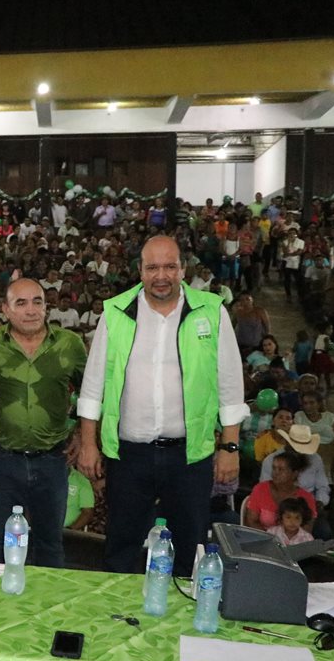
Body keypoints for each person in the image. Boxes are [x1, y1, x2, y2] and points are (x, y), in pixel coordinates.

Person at [77, 236, 248, 575]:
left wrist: (229, 446)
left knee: (190, 545)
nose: (161, 275)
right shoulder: (116, 312)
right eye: (152, 267)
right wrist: (87, 444)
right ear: (139, 271)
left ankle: (183, 619)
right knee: (122, 544)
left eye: (170, 266)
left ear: (182, 269)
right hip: (129, 455)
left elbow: (229, 382)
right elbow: (93, 385)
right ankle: (118, 618)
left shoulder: (211, 311)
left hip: (190, 455)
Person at [0, 278, 87, 567]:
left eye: (37, 302)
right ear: (5, 309)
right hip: (2, 459)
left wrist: (79, 429)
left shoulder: (70, 344)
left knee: (50, 543)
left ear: (46, 305)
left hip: (53, 459)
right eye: (21, 303)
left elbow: (90, 392)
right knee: (3, 543)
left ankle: (48, 610)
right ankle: (2, 606)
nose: (31, 310)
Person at [244, 451, 318, 531]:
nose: (276, 473)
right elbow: (251, 522)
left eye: (281, 469)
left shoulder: (306, 498)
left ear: (294, 474)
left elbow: (306, 529)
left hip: (294, 542)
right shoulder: (261, 489)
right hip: (263, 539)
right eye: (274, 468)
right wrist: (272, 539)